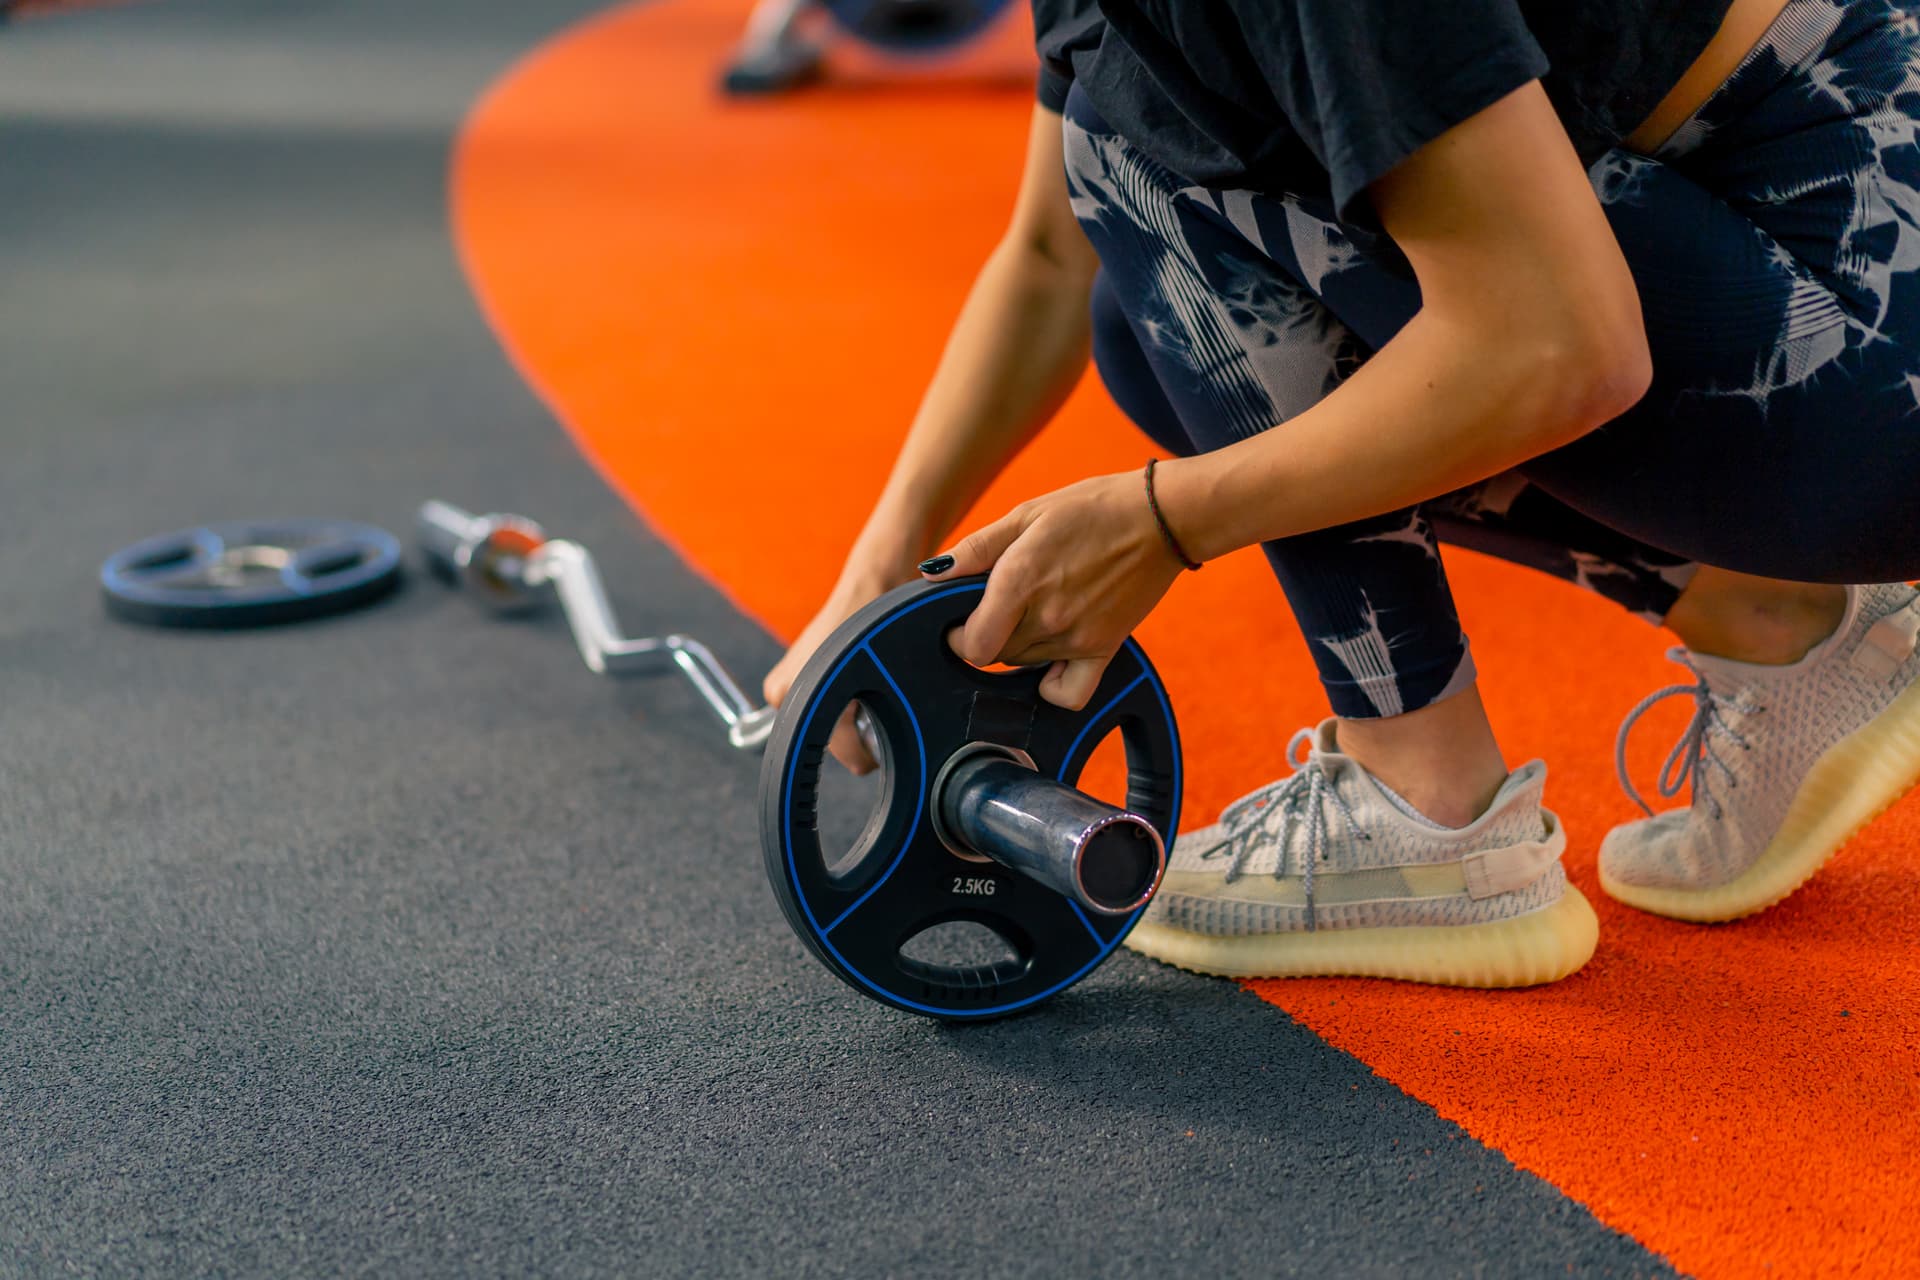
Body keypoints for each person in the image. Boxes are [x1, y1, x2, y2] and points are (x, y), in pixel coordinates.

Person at [762, 0, 1920, 987]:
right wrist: (882, 566)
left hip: (1872, 325)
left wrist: (1164, 519)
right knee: (1141, 308)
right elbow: (1052, 260)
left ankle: (1423, 797)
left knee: (1164, 154)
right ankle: (1773, 617)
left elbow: (1564, 343)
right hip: (1798, 282)